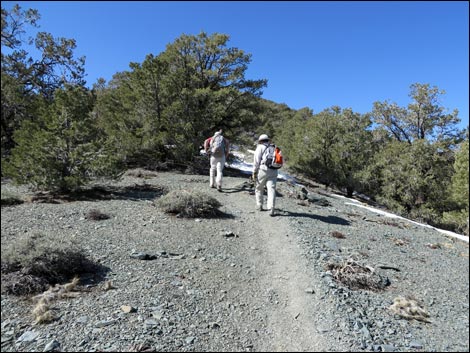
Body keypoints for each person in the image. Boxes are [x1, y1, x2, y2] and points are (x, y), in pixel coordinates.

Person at [252, 134, 278, 216]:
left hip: (263, 169)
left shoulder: (260, 147)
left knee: (259, 187)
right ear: (268, 140)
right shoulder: (274, 147)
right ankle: (271, 208)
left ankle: (259, 205)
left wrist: (254, 172)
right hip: (274, 170)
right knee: (271, 189)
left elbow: (256, 161)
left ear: (260, 140)